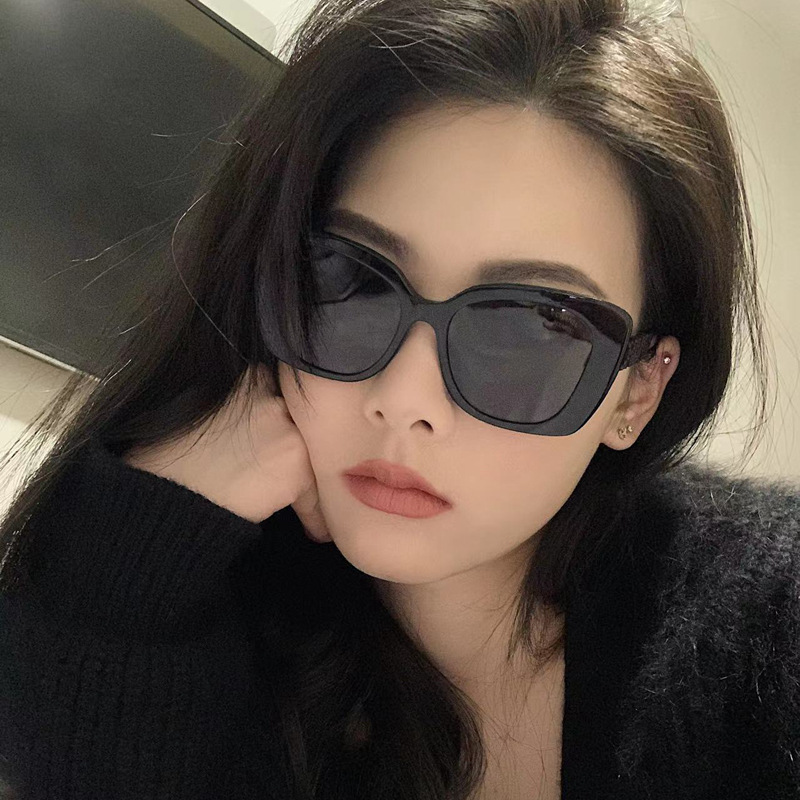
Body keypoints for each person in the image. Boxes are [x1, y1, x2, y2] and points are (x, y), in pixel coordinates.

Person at [0, 0, 798, 798]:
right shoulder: (221, 631)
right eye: (349, 282)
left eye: (534, 329)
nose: (404, 398)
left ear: (638, 391)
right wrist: (131, 565)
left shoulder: (768, 624)